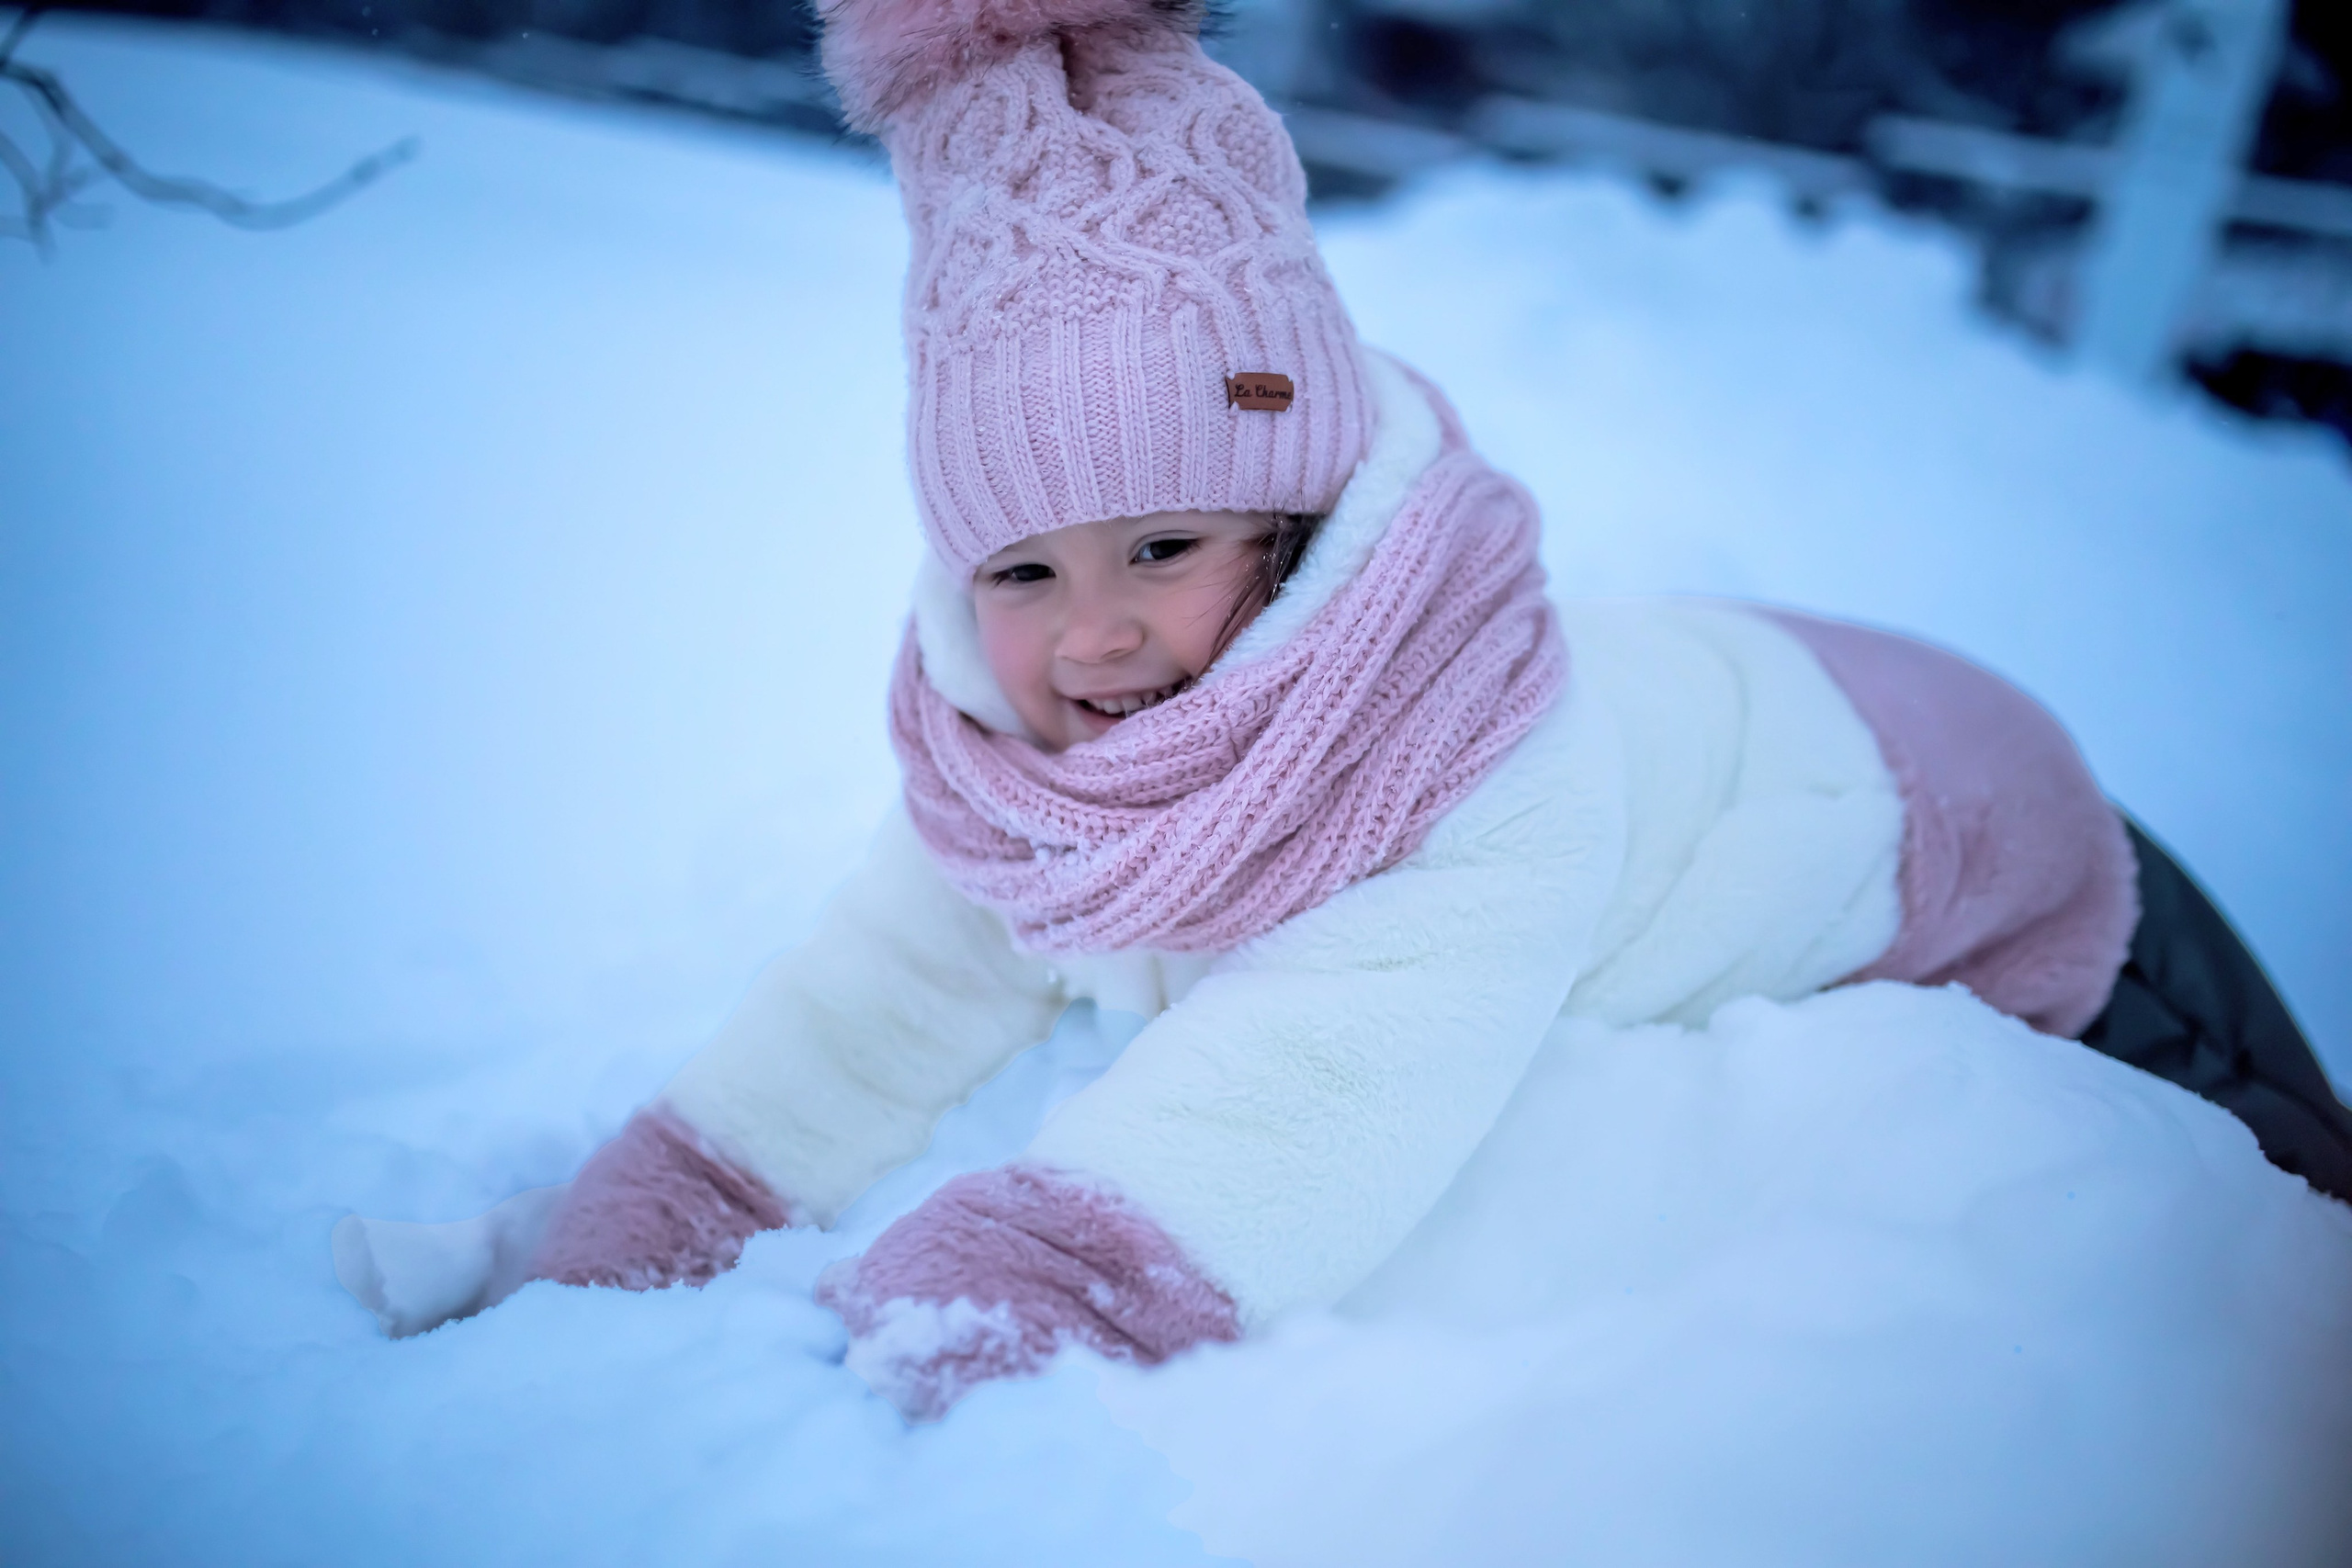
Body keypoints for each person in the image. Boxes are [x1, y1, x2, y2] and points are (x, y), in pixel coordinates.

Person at [332, 0, 2352, 1418]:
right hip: (1726, 688)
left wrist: (1027, 1287)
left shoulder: (1473, 782)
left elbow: (1315, 1087)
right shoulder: (1022, 754)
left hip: (1969, 817)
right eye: (1025, 570)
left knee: (2294, 1245)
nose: (1093, 636)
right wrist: (672, 1198)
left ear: (1293, 523)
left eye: (1158, 550)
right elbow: (888, 980)